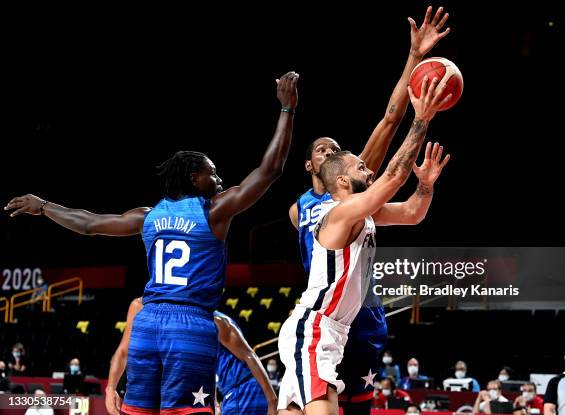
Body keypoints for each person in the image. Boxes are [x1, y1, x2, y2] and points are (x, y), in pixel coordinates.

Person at [6, 71, 299, 415]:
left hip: (148, 322)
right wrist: (287, 111)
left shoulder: (148, 215)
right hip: (189, 323)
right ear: (194, 178)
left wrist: (44, 206)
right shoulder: (214, 211)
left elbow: (88, 224)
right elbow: (270, 170)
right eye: (213, 173)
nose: (219, 180)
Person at [288, 9, 452, 413]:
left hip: (350, 315)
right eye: (324, 151)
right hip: (319, 316)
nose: (340, 154)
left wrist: (413, 59)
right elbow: (392, 178)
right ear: (318, 169)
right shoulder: (311, 210)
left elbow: (390, 122)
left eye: (339, 148)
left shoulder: (359, 202)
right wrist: (424, 120)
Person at [105, 298, 279, 415]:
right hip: (230, 392)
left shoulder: (214, 321)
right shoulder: (147, 310)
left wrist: (272, 400)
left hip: (243, 391)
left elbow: (250, 356)